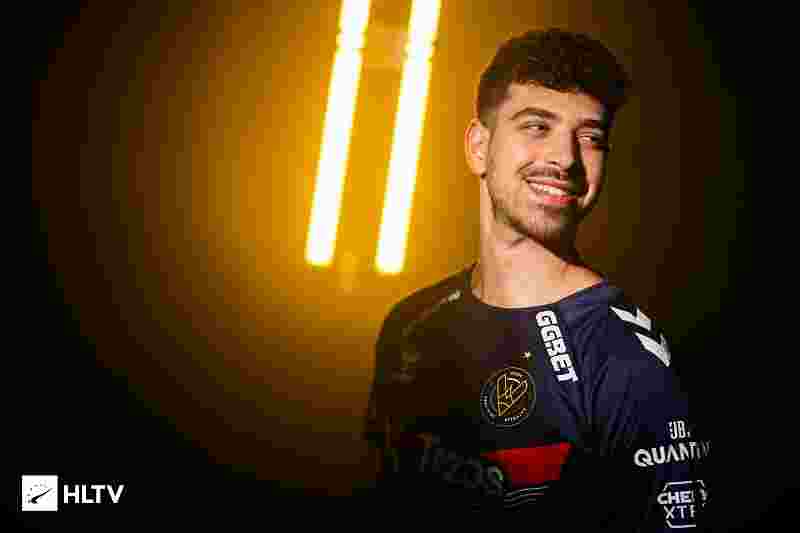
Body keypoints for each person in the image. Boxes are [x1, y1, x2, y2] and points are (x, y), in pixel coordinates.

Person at [362, 28, 710, 529]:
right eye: (537, 126)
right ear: (478, 147)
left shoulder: (626, 358)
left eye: (590, 138)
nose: (565, 158)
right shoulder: (410, 325)